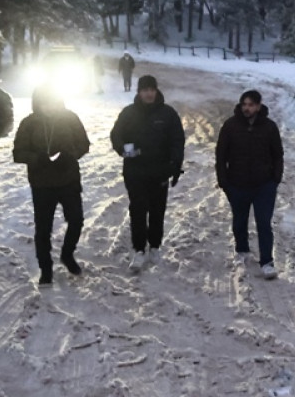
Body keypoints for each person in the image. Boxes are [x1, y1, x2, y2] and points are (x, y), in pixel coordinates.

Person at [12, 87, 91, 285]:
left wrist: (70, 156)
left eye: (52, 102)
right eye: (44, 102)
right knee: (43, 229)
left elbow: (84, 144)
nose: (48, 106)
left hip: (68, 180)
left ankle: (67, 254)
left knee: (76, 220)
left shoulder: (70, 118)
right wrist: (38, 159)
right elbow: (18, 153)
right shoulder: (29, 123)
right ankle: (45, 269)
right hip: (42, 184)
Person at [109, 74, 185, 271]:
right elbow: (116, 135)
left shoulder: (168, 114)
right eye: (145, 90)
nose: (149, 93)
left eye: (152, 89)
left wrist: (174, 165)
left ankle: (155, 247)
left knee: (158, 210)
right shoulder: (128, 113)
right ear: (139, 92)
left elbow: (178, 140)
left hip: (160, 172)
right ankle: (139, 249)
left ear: (156, 91)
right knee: (138, 210)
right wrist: (124, 149)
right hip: (135, 172)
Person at [215, 89, 285, 280]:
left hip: (264, 185)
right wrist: (224, 181)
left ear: (259, 106)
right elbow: (221, 155)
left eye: (251, 105)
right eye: (244, 104)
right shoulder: (230, 126)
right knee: (239, 220)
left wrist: (275, 178)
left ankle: (267, 262)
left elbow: (278, 154)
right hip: (237, 183)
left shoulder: (269, 127)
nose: (247, 108)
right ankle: (242, 251)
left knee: (264, 223)